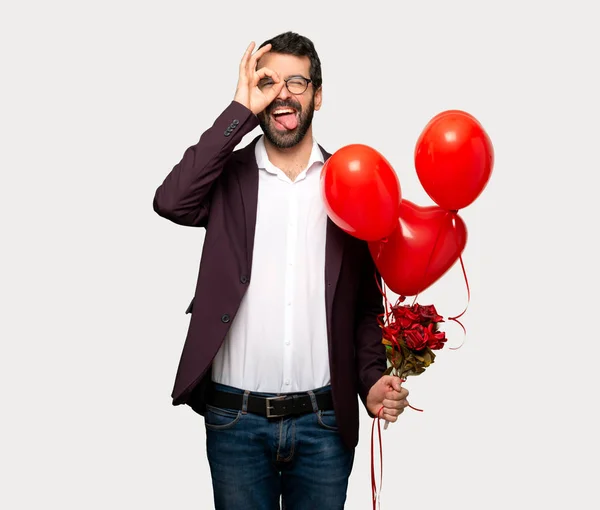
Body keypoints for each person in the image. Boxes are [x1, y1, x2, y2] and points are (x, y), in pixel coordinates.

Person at [153, 31, 410, 510]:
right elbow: (171, 201)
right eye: (268, 82)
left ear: (317, 93)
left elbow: (363, 306)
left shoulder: (349, 183)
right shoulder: (228, 177)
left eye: (296, 81)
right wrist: (238, 111)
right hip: (235, 421)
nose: (283, 94)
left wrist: (372, 379)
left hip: (324, 425)